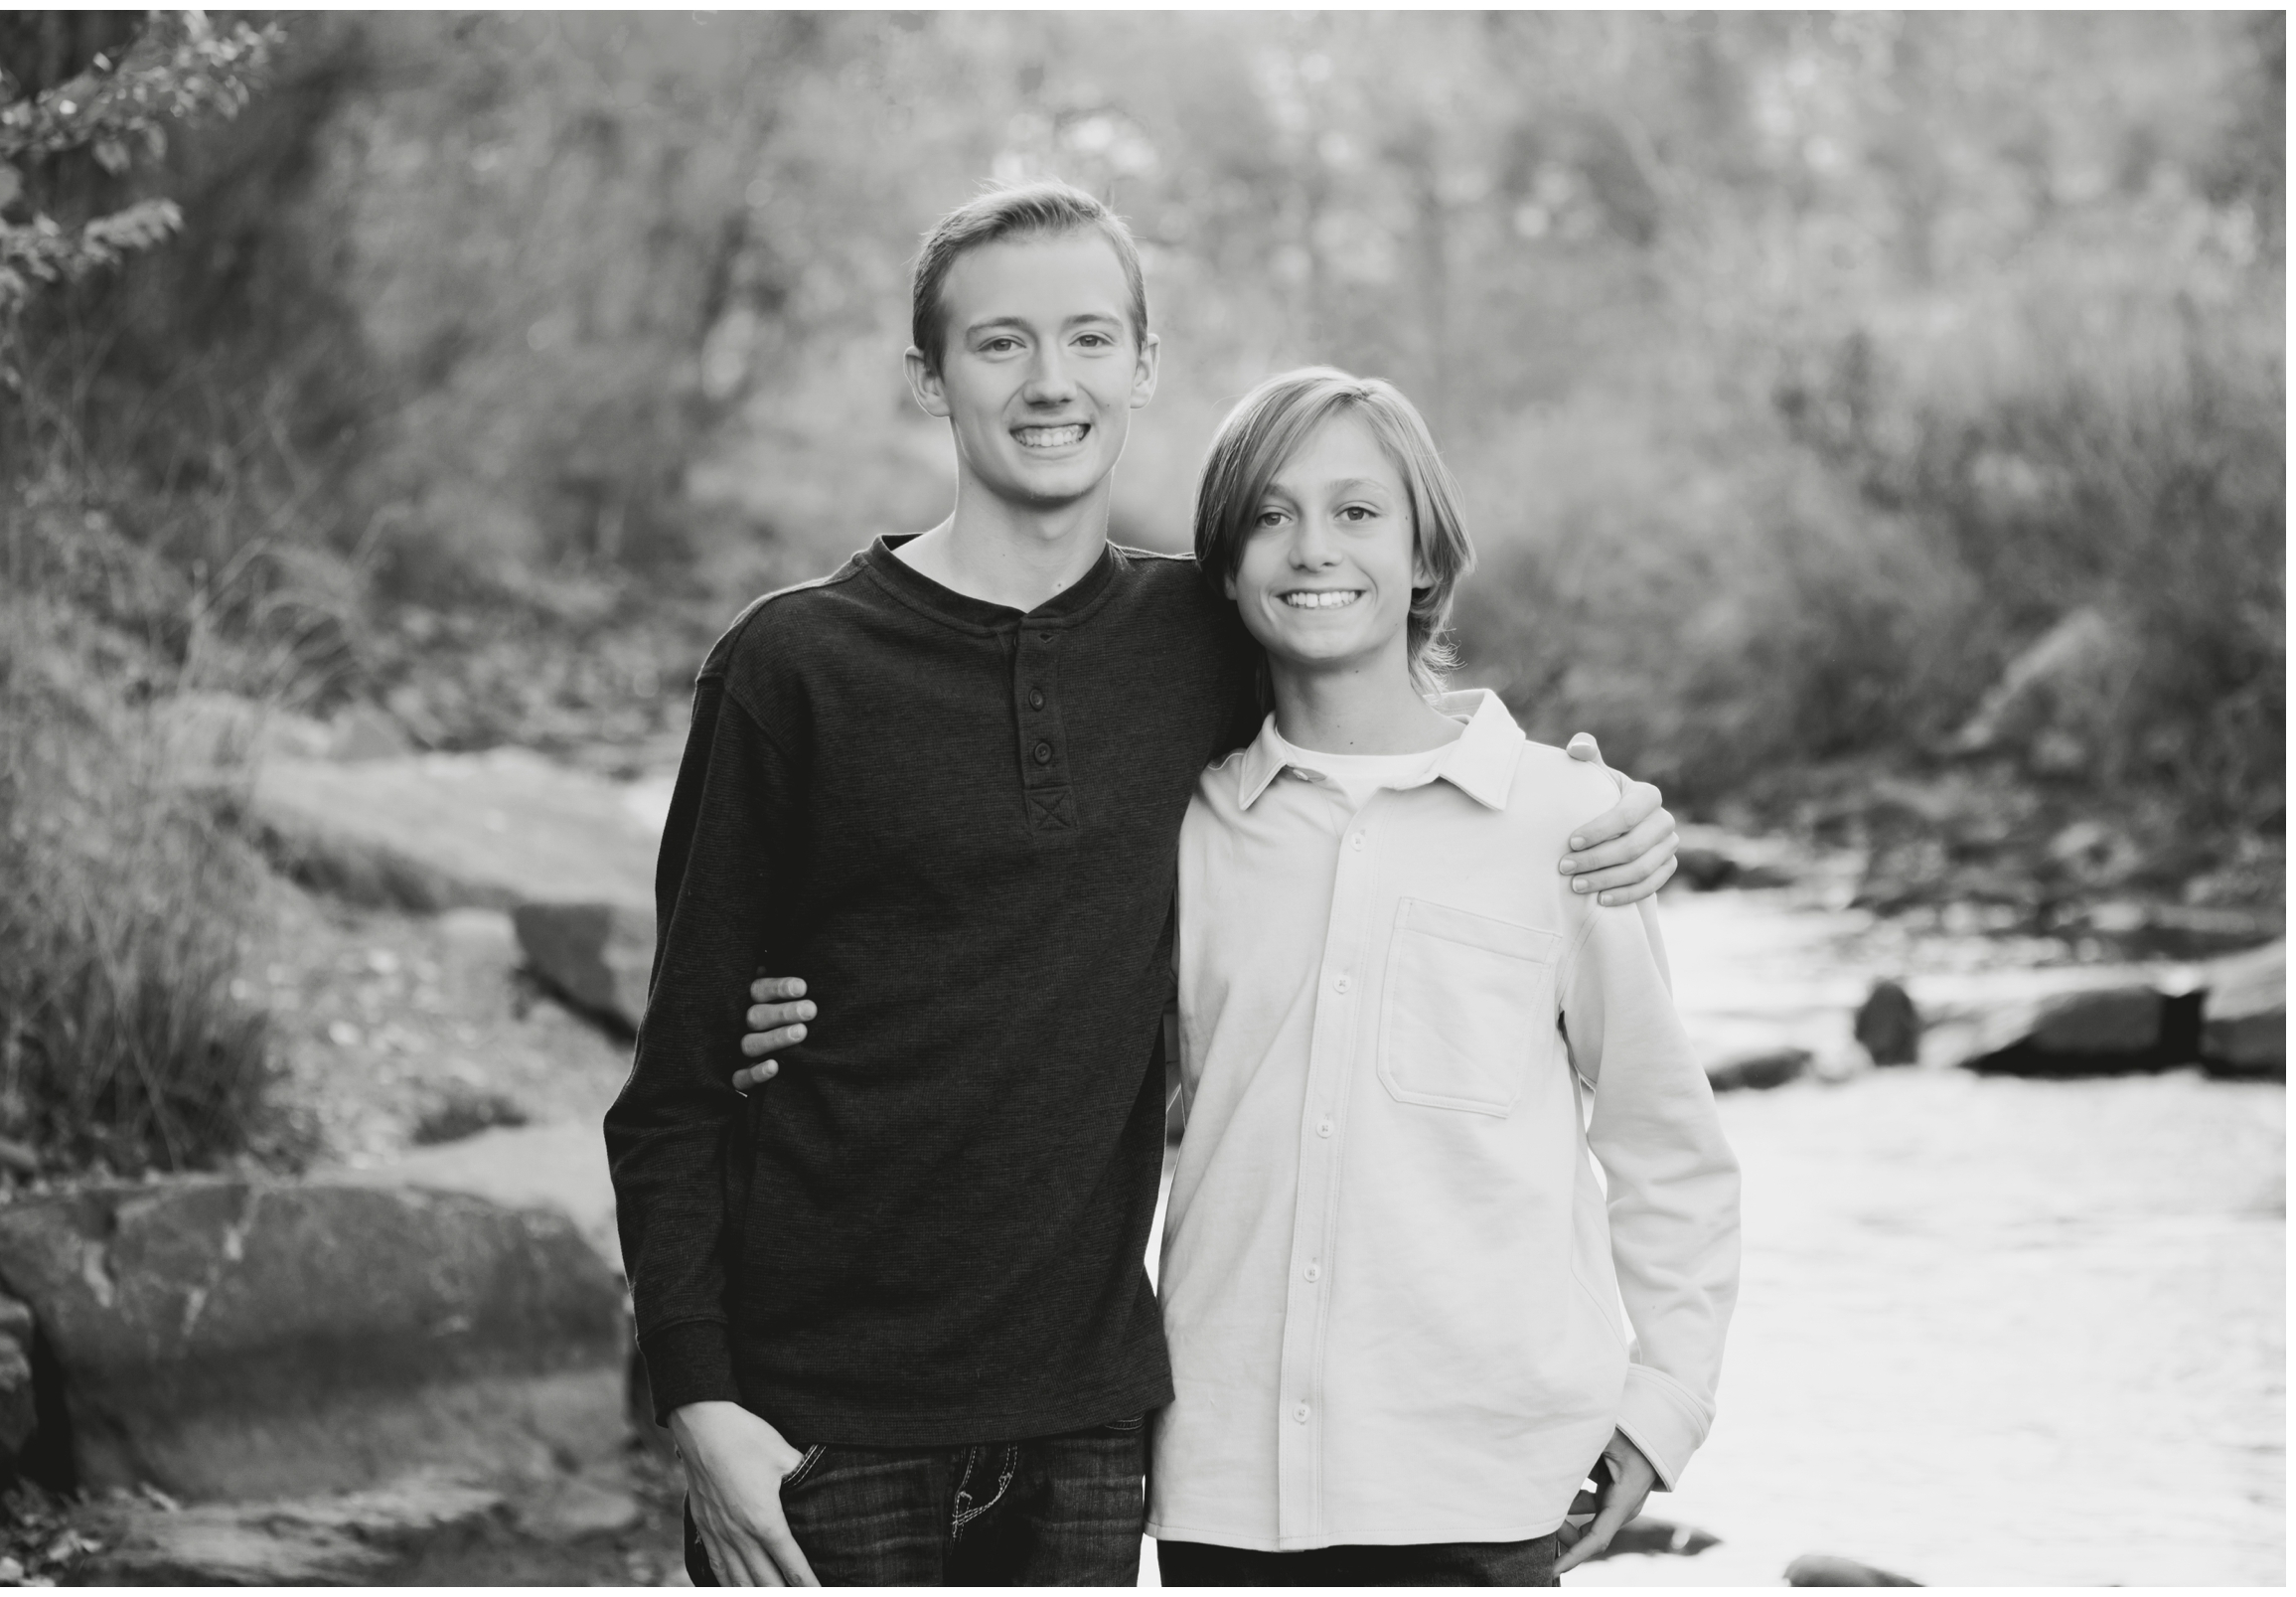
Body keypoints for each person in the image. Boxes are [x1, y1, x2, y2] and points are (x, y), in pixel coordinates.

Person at [608, 181, 1681, 1589]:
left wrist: (1608, 804)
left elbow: (1385, 713)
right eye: (999, 344)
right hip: (823, 1424)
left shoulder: (1202, 632)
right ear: (928, 377)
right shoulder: (791, 668)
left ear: (1142, 363)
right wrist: (700, 1404)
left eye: (1090, 338)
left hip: (1091, 1427)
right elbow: (674, 1091)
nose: (1051, 382)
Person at [1146, 368, 1741, 1585]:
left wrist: (1665, 1399)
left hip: (1488, 1483)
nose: (1314, 547)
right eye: (1270, 513)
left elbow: (1665, 1146)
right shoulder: (1185, 835)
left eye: (1358, 511)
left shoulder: (1566, 823)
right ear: (1223, 564)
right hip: (1226, 1490)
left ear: (1425, 555)